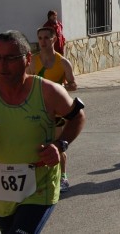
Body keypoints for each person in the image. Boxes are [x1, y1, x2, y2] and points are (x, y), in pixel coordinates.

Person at [0, 30, 86, 234]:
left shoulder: (48, 91)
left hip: (40, 186)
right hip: (3, 190)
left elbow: (78, 117)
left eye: (10, 58)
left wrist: (60, 144)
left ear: (27, 59)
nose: (2, 65)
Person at [27, 26, 78, 192]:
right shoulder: (33, 61)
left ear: (54, 39)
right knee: (36, 145)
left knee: (57, 145)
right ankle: (39, 178)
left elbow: (73, 85)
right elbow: (26, 82)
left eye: (46, 38)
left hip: (57, 112)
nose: (42, 41)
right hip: (37, 110)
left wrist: (60, 86)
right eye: (40, 38)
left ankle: (63, 177)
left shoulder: (62, 62)